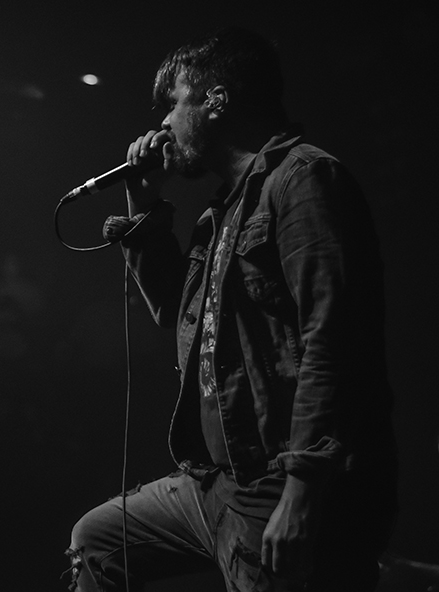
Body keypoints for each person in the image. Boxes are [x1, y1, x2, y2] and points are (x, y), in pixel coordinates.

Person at [66, 28, 397, 592]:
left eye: (174, 102)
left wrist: (303, 486)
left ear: (216, 100)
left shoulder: (304, 181)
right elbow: (177, 315)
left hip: (279, 480)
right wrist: (142, 204)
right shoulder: (220, 211)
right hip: (216, 481)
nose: (164, 123)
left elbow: (334, 339)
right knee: (99, 539)